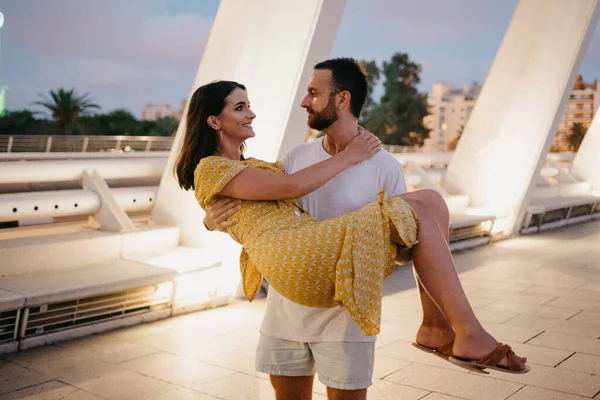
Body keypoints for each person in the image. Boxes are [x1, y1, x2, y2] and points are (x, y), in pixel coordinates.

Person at [181, 59, 528, 399]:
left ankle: (440, 328)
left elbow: (409, 248)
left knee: (431, 204)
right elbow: (281, 192)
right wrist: (209, 221)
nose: (304, 101)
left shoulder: (383, 166)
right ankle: (451, 330)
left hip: (342, 309)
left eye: (313, 93)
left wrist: (213, 218)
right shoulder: (293, 159)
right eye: (241, 107)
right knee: (430, 202)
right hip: (291, 295)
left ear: (342, 99)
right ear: (214, 120)